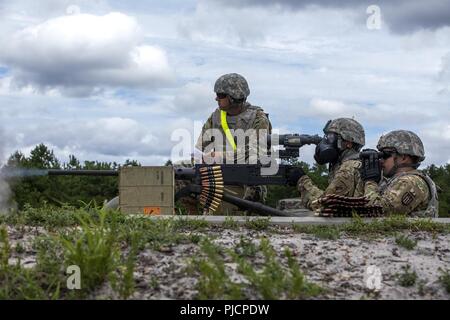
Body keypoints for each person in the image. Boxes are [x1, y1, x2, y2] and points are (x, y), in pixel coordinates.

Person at [194, 73, 272, 213]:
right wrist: (202, 157)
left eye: (220, 95)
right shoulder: (216, 116)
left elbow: (256, 152)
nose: (216, 98)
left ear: (233, 96)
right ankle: (193, 220)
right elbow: (201, 147)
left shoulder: (258, 118)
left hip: (247, 176)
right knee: (178, 172)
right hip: (217, 173)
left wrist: (222, 156)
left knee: (254, 185)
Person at [291, 118, 366, 211]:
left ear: (348, 143)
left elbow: (325, 205)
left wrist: (302, 181)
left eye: (331, 137)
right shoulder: (346, 164)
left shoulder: (348, 168)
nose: (326, 142)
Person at [360, 130, 438, 217]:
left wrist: (370, 181)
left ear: (404, 157)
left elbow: (377, 211)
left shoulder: (411, 182)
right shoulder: (395, 181)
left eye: (385, 155)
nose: (381, 160)